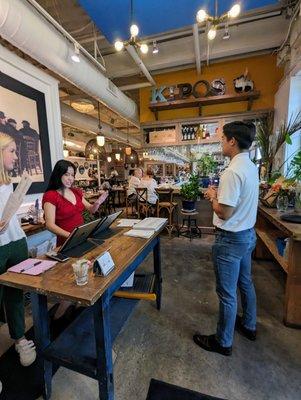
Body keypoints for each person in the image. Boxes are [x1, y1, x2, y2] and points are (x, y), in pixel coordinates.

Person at [193, 121, 258, 356]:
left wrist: (212, 196)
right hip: (247, 235)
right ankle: (249, 326)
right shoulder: (251, 167)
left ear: (232, 141)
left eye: (222, 138)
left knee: (227, 295)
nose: (220, 142)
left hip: (230, 240)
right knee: (246, 283)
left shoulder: (232, 171)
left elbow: (224, 212)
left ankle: (223, 342)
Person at [42, 160, 108, 319]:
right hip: (66, 243)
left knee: (84, 273)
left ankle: (76, 305)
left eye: (72, 175)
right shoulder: (50, 195)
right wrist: (70, 235)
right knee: (72, 280)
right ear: (59, 174)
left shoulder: (77, 192)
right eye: (67, 174)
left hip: (81, 239)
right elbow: (50, 225)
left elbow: (90, 209)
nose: (70, 178)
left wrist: (98, 202)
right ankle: (57, 318)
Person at [0, 133, 36, 368]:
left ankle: (19, 338)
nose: (16, 156)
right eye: (11, 151)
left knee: (15, 295)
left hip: (16, 242)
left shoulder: (7, 182)